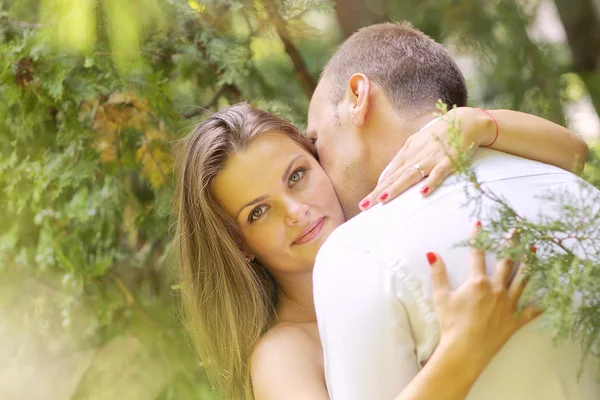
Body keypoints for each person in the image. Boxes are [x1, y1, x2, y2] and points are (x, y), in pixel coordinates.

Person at [175, 102, 587, 399]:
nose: (296, 211)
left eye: (297, 176)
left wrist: (471, 122)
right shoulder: (281, 353)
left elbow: (573, 153)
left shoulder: (385, 232)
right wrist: (465, 348)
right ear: (237, 245)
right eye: (259, 212)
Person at [308, 22, 599, 399]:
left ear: (357, 96)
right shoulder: (575, 191)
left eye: (315, 139)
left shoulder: (355, 253)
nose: (318, 160)